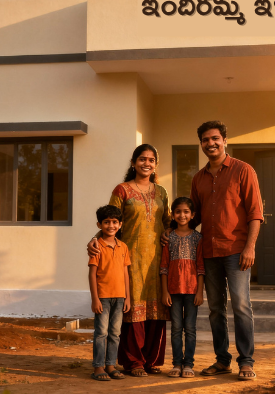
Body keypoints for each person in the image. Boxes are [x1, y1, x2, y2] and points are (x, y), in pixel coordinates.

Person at [162, 121, 263, 381]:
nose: (211, 143)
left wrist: (250, 247)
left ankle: (246, 361)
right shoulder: (198, 178)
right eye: (206, 140)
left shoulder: (244, 170)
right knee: (216, 308)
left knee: (241, 306)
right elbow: (192, 218)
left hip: (237, 250)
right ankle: (222, 360)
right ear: (202, 144)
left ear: (225, 140)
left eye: (215, 138)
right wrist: (171, 231)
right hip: (208, 251)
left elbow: (255, 213)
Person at [88, 144, 171, 377]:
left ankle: (151, 360)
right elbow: (109, 220)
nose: (147, 163)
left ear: (156, 164)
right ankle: (133, 361)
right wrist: (94, 241)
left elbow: (168, 221)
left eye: (151, 160)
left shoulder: (162, 192)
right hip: (129, 259)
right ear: (134, 163)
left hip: (157, 259)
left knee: (156, 311)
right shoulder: (122, 190)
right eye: (142, 159)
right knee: (133, 309)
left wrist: (171, 234)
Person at [160, 197, 205, 379]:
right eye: (178, 211)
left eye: (186, 212)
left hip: (192, 291)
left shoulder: (198, 238)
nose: (182, 215)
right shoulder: (168, 237)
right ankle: (177, 364)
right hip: (173, 291)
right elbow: (163, 266)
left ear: (193, 215)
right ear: (173, 214)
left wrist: (200, 291)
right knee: (176, 328)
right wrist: (165, 291)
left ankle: (189, 364)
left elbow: (201, 267)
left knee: (190, 329)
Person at [88, 205, 131, 381]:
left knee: (115, 333)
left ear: (120, 224)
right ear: (99, 224)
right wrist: (95, 299)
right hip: (103, 298)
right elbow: (92, 273)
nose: (111, 226)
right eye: (106, 222)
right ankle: (98, 367)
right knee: (101, 333)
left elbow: (125, 273)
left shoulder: (123, 247)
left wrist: (127, 297)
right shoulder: (97, 247)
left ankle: (111, 365)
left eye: (114, 222)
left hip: (120, 297)